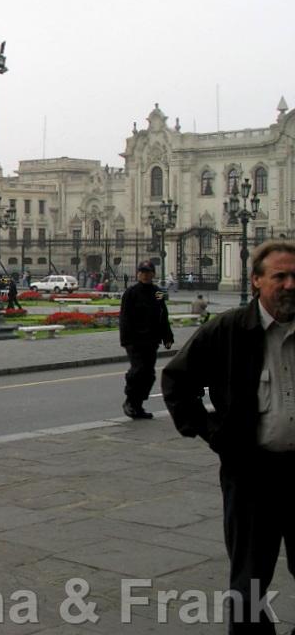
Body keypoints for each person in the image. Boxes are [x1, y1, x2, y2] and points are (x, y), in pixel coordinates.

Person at [162, 240, 295, 633]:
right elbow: (176, 382)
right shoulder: (229, 330)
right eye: (279, 276)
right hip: (252, 474)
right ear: (255, 281)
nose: (290, 284)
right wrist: (214, 433)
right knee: (249, 581)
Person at [119, 260, 174, 419]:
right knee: (138, 370)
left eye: (148, 272)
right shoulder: (131, 292)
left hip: (152, 340)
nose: (145, 275)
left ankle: (138, 405)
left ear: (153, 274)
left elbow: (163, 314)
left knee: (149, 374)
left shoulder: (157, 292)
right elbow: (124, 318)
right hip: (135, 340)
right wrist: (126, 340)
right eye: (142, 272)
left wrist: (167, 336)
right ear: (138, 274)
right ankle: (130, 401)